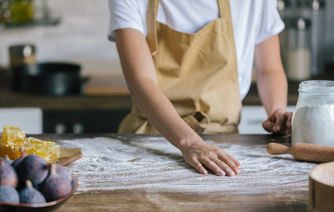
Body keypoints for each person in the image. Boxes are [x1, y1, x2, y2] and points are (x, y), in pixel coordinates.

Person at [108, 0, 292, 176]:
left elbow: (270, 69)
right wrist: (189, 142)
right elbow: (141, 81)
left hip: (223, 145)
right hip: (149, 140)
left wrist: (277, 112)